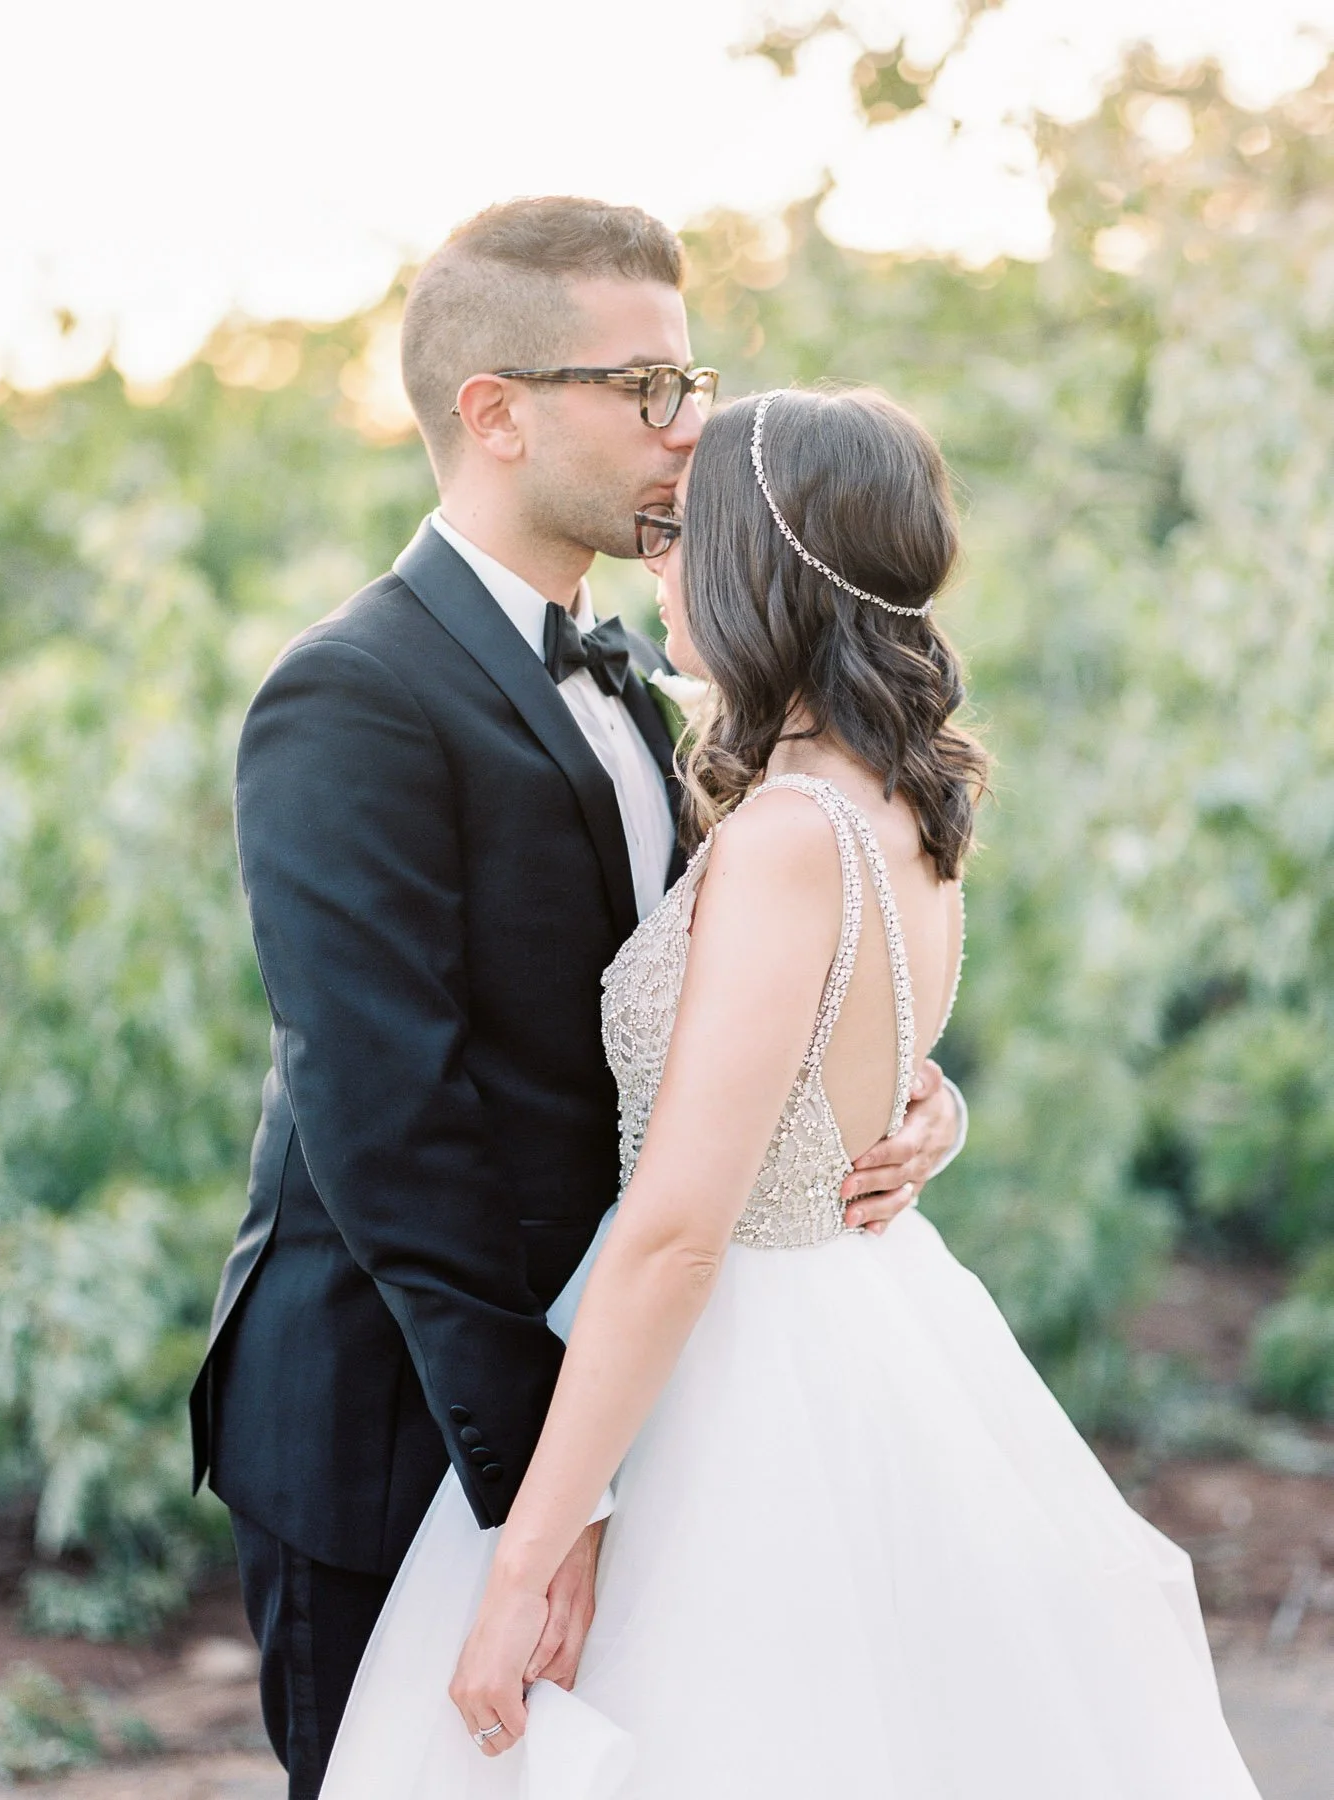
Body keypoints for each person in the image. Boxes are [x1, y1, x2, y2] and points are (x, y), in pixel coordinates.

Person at [317, 386, 1263, 1799]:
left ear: (767, 560)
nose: (661, 565)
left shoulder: (784, 835)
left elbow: (681, 1226)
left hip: (729, 1366)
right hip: (866, 1314)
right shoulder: (905, 802)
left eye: (684, 534)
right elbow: (861, 1061)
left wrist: (526, 1558)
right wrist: (931, 1109)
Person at [188, 197, 964, 1800]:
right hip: (404, 1404)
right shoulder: (350, 696)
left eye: (694, 386)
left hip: (625, 1375)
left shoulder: (663, 682)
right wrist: (552, 1495)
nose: (692, 434)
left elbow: (746, 1009)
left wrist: (901, 1103)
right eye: (649, 390)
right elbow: (389, 1125)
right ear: (497, 413)